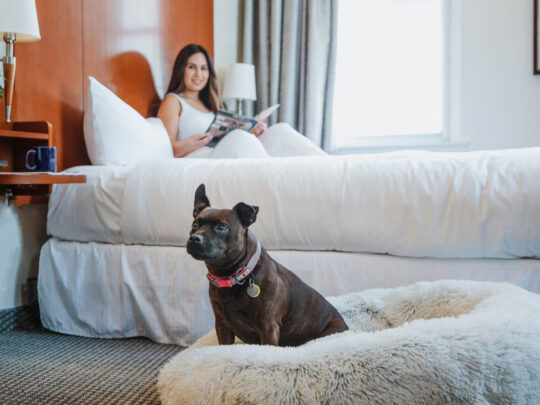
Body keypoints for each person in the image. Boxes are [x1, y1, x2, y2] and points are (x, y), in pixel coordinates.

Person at [157, 44, 326, 158]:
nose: (198, 75)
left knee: (278, 131)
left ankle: (328, 166)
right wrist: (189, 144)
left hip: (223, 151)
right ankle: (273, 176)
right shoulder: (174, 101)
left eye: (203, 68)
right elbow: (165, 150)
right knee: (239, 138)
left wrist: (250, 130)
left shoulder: (212, 104)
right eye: (191, 67)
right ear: (181, 70)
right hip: (201, 158)